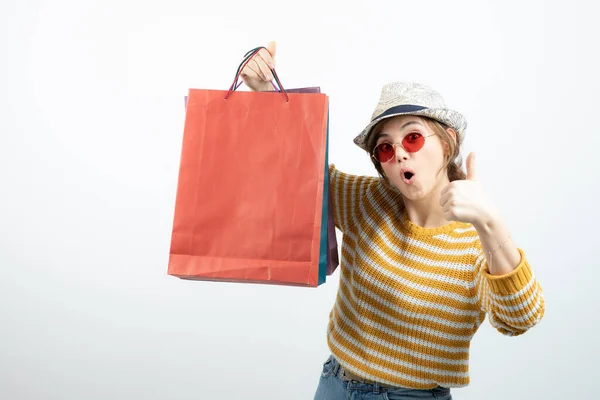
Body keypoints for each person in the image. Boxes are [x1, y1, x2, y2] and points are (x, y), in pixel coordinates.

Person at [240, 41, 545, 400]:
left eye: (413, 138)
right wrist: (265, 93)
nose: (399, 152)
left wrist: (491, 223)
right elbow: (300, 170)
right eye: (385, 147)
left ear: (447, 142)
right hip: (335, 384)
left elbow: (520, 319)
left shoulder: (476, 240)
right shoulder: (368, 200)